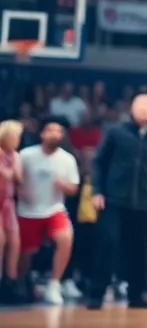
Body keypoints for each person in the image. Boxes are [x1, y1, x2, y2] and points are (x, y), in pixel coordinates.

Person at [87, 88, 147, 310]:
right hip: (114, 200)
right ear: (131, 107)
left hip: (145, 203)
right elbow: (99, 162)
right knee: (108, 244)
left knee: (140, 250)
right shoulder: (116, 132)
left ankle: (136, 295)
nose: (144, 108)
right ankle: (97, 293)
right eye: (139, 103)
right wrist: (97, 191)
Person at [16, 118, 81, 305]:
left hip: (54, 209)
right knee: (25, 255)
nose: (54, 134)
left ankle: (54, 284)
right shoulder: (27, 155)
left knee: (66, 237)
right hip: (27, 211)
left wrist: (63, 185)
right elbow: (15, 177)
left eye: (58, 131)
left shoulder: (67, 159)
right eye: (50, 130)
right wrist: (20, 190)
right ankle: (22, 284)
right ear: (42, 134)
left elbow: (74, 188)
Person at [0, 119, 22, 302]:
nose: (18, 140)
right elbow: (7, 175)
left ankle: (11, 283)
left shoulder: (15, 155)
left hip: (7, 203)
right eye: (15, 136)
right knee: (0, 240)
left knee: (14, 242)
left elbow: (18, 177)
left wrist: (13, 159)